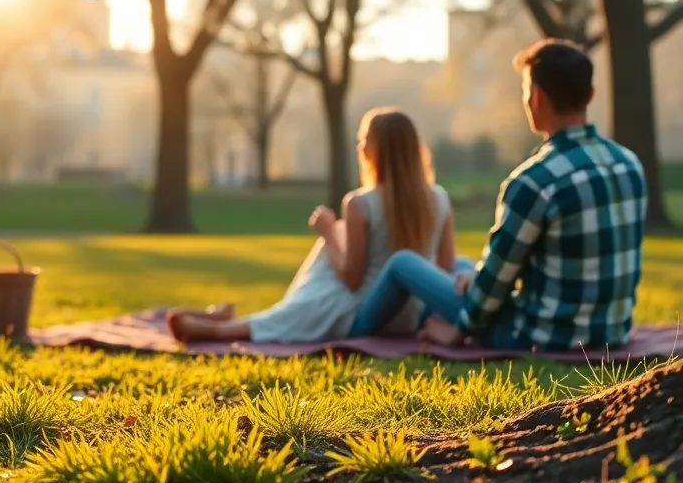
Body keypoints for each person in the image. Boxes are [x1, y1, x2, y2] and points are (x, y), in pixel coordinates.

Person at [347, 39, 647, 351]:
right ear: (590, 95)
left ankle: (353, 334)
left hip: (539, 336)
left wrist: (460, 329)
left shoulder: (534, 181)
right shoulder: (630, 165)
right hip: (612, 331)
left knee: (403, 263)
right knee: (463, 267)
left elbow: (495, 285)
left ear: (536, 99)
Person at [168, 108, 456, 343]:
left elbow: (352, 279)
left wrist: (328, 233)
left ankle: (224, 329)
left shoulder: (361, 203)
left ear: (376, 150)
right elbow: (444, 270)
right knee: (338, 245)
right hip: (414, 317)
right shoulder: (440, 198)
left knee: (324, 267)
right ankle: (232, 318)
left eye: (365, 139)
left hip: (368, 318)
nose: (361, 146)